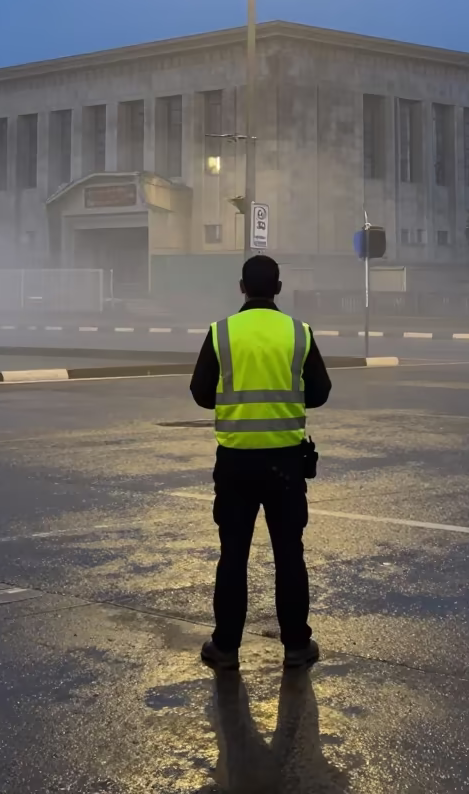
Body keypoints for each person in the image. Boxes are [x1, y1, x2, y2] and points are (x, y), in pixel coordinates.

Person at [190, 254, 331, 671]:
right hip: (286, 465)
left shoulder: (222, 333)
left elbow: (200, 392)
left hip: (234, 463)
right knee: (290, 554)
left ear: (241, 288)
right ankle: (296, 646)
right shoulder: (298, 332)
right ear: (279, 288)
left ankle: (226, 647)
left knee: (233, 554)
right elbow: (320, 391)